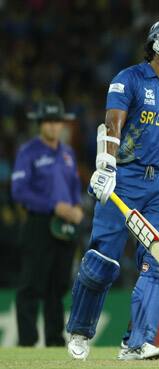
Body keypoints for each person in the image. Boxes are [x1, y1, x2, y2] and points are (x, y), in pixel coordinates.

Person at [65, 19, 159, 361]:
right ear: (158, 43)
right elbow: (113, 122)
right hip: (123, 178)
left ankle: (136, 343)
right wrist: (107, 165)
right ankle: (80, 331)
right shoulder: (128, 79)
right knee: (102, 262)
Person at [11, 98, 83, 347]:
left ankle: (55, 340)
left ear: (62, 124)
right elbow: (19, 191)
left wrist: (76, 208)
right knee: (31, 284)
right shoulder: (28, 151)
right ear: (40, 124)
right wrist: (54, 206)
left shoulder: (67, 153)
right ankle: (27, 342)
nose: (53, 126)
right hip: (39, 225)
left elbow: (74, 187)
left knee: (58, 285)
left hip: (65, 228)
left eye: (56, 121)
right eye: (48, 122)